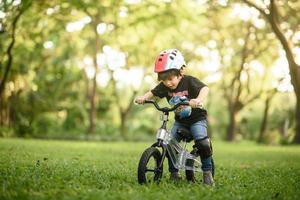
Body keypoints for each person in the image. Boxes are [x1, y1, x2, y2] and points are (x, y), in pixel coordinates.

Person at [135, 49, 214, 186]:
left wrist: (198, 99)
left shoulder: (189, 81)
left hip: (197, 119)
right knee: (169, 143)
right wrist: (143, 98)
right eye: (164, 80)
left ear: (180, 72)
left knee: (202, 143)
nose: (168, 83)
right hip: (181, 122)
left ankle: (207, 173)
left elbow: (205, 88)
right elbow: (153, 93)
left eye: (170, 79)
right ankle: (174, 173)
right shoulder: (164, 86)